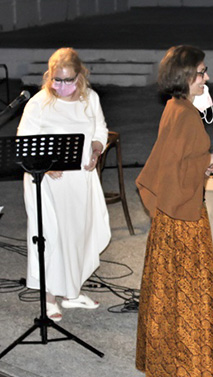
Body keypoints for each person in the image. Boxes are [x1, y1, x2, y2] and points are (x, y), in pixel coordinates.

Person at [135, 45, 213, 377]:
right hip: (185, 218)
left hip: (171, 215)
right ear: (185, 75)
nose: (207, 77)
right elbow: (175, 168)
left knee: (169, 294)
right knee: (192, 296)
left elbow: (174, 163)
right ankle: (193, 374)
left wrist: (204, 163)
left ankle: (168, 367)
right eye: (202, 72)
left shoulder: (174, 107)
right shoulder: (185, 115)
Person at [17, 47, 111, 322]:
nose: (62, 85)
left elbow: (100, 129)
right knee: (51, 237)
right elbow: (24, 143)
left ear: (80, 76)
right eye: (56, 79)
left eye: (68, 80)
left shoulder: (90, 98)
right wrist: (46, 167)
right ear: (49, 76)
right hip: (47, 182)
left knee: (78, 235)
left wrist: (96, 149)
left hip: (79, 179)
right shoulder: (39, 103)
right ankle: (49, 299)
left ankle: (71, 293)